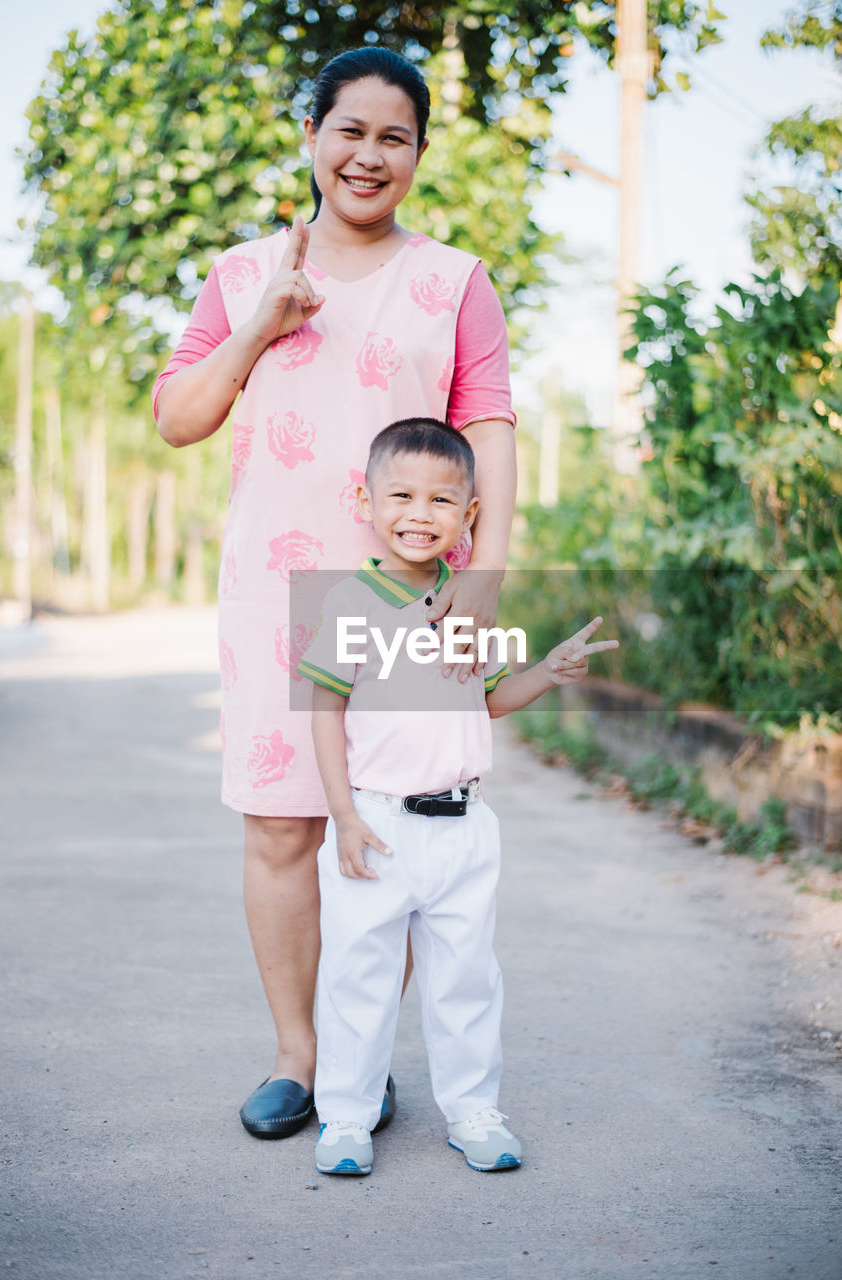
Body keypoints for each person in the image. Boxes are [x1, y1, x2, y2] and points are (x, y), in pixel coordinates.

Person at [152, 47, 517, 1138]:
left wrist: (486, 576)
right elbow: (177, 414)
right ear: (313, 135)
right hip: (273, 589)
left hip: (408, 597)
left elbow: (489, 423)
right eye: (349, 129)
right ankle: (299, 1059)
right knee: (278, 829)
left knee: (392, 833)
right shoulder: (241, 272)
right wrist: (264, 318)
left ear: (416, 154)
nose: (369, 154)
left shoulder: (455, 280)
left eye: (394, 137)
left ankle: (364, 1055)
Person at [298, 418, 618, 1175]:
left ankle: (473, 1110)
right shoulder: (349, 602)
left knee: (466, 976)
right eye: (401, 495)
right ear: (366, 501)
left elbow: (492, 700)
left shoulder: (469, 605)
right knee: (357, 974)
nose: (420, 513)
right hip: (375, 822)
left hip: (464, 824)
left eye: (442, 500)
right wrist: (342, 817)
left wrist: (550, 669)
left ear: (468, 515)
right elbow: (324, 714)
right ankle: (345, 1117)